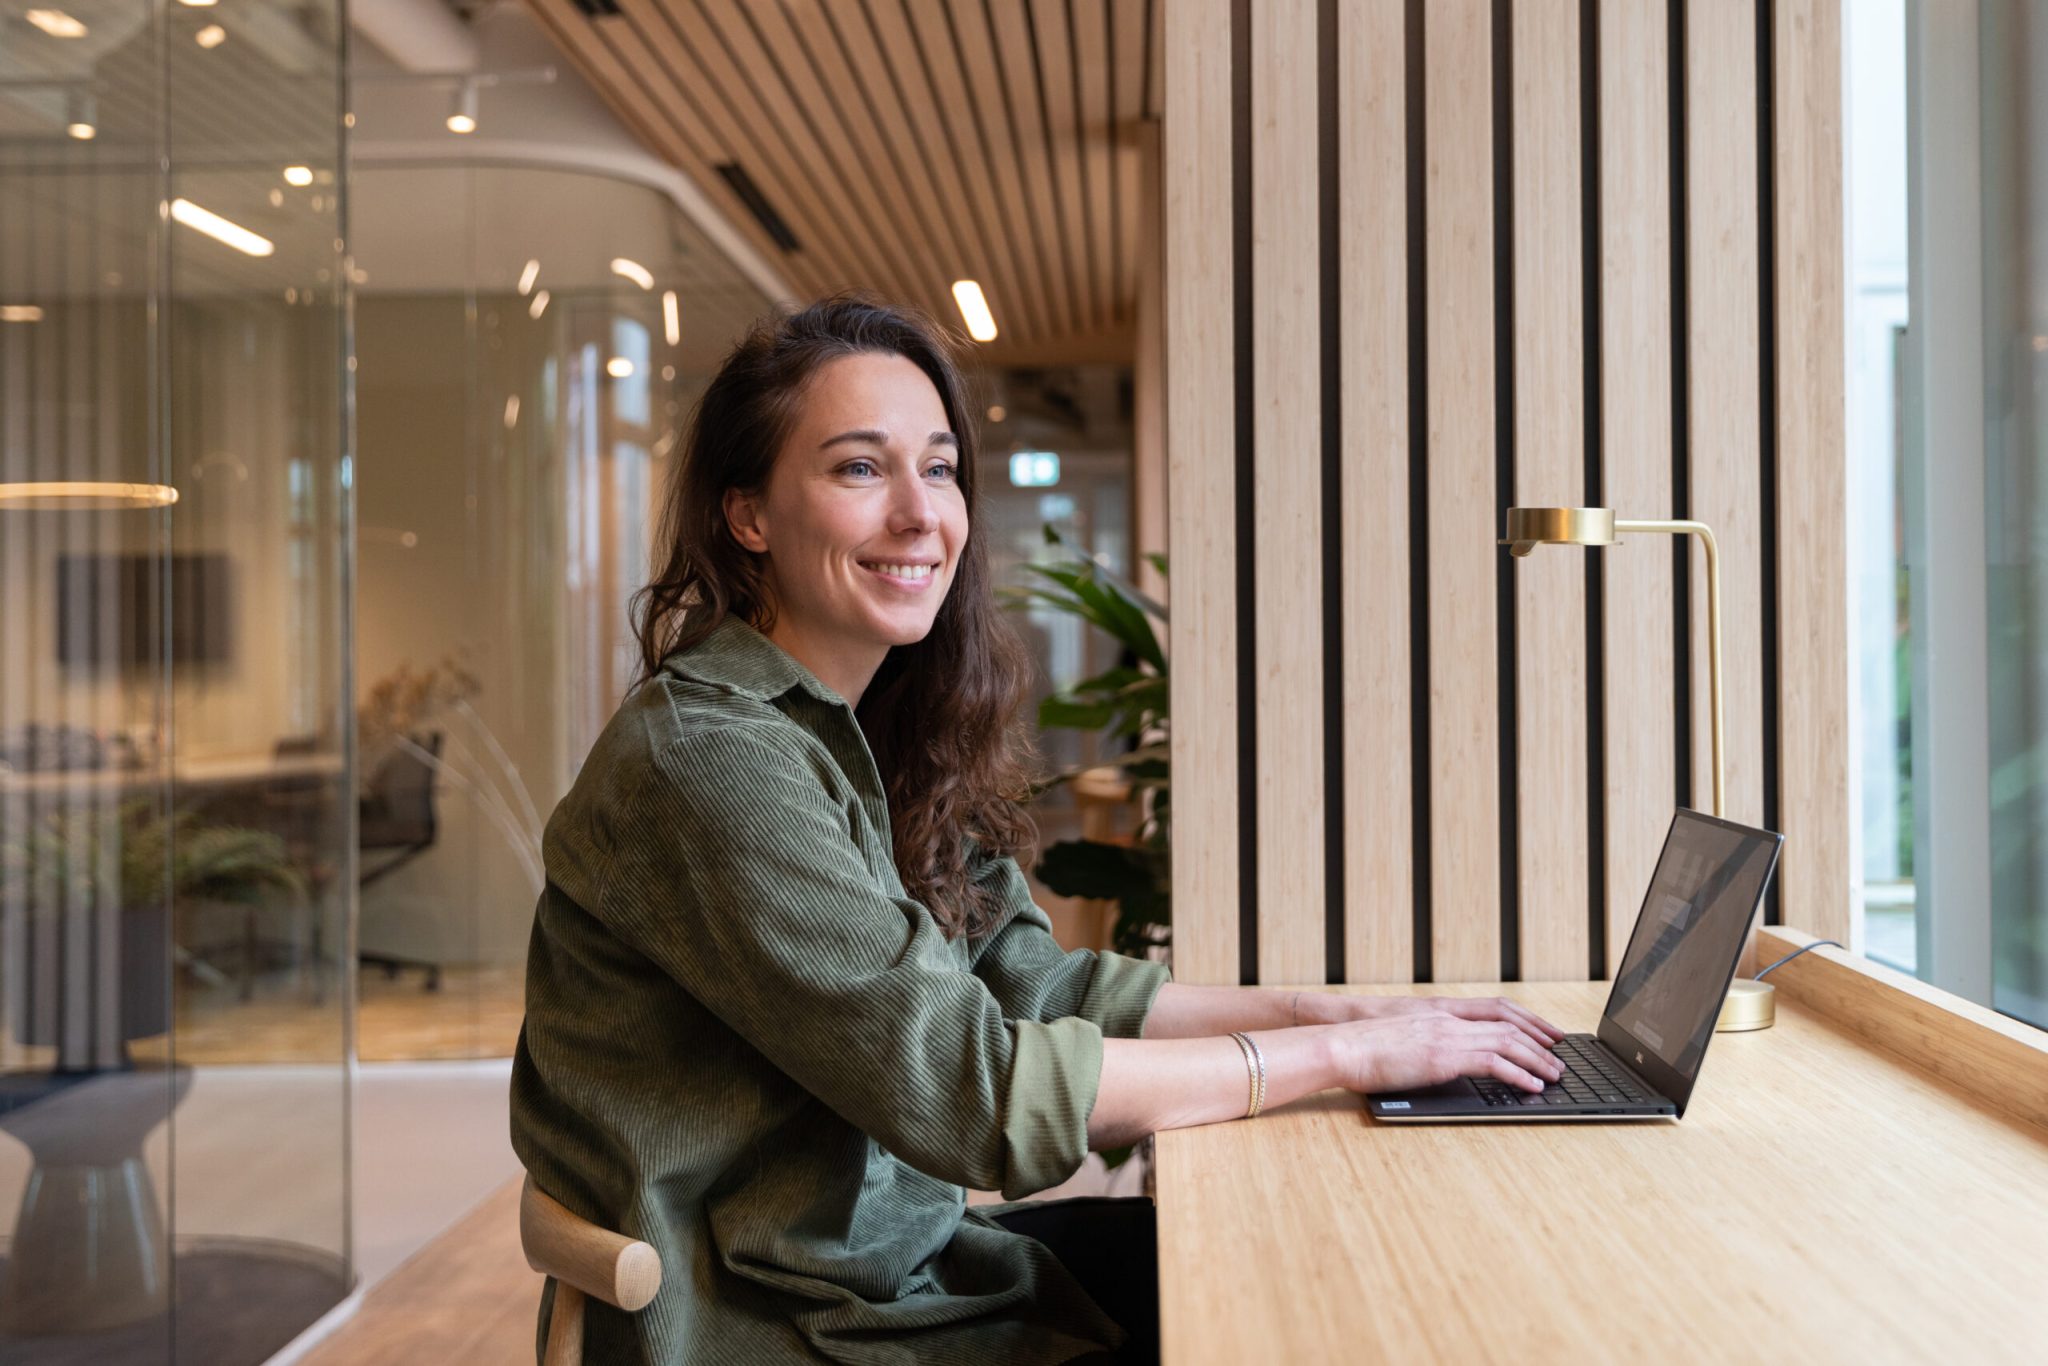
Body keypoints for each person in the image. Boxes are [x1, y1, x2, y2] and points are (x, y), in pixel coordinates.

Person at [509, 295, 1567, 1365]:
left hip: (889, 1267)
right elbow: (974, 1096)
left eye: (937, 467)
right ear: (748, 515)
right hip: (772, 1319)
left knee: (1303, 1268)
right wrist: (1343, 1054)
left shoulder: (869, 731)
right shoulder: (709, 757)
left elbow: (1038, 990)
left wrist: (1334, 1012)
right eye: (859, 469)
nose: (921, 513)